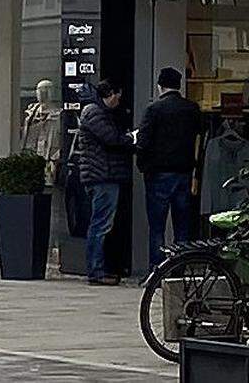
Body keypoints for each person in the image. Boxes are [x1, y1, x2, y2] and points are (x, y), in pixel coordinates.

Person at [137, 67, 202, 270]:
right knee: (182, 225)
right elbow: (199, 138)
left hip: (158, 174)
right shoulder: (191, 109)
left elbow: (143, 141)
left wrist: (143, 164)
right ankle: (180, 269)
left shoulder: (154, 110)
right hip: (184, 172)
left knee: (157, 227)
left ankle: (157, 270)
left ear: (160, 86)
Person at [75, 79, 135, 286]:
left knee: (100, 223)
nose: (119, 101)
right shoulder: (95, 113)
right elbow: (111, 139)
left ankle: (98, 269)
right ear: (110, 95)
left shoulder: (94, 111)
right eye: (117, 97)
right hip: (102, 176)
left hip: (100, 175)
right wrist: (131, 139)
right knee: (101, 224)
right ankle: (96, 271)